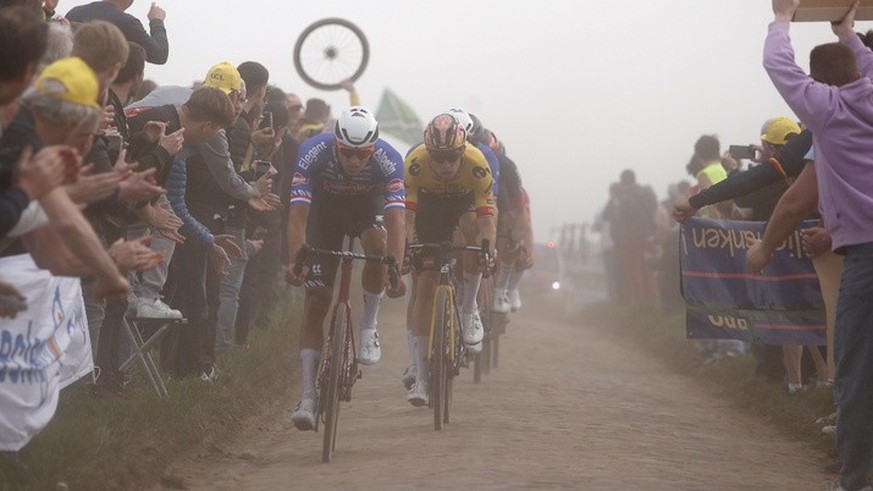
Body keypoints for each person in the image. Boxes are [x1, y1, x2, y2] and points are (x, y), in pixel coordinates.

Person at [761, 2, 873, 489]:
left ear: (820, 84)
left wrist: (782, 17)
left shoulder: (826, 110)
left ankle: (852, 481)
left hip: (865, 258)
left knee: (853, 374)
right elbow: (863, 69)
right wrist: (849, 34)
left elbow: (777, 66)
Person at [285, 106, 406, 430]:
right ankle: (308, 396)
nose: (353, 161)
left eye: (362, 154)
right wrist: (296, 260)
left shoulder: (389, 160)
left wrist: (395, 267)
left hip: (369, 208)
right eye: (346, 153)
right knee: (315, 304)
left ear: (374, 149)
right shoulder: (313, 152)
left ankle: (368, 325)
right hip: (325, 213)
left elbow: (396, 219)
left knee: (378, 248)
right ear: (335, 144)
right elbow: (298, 215)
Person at [402, 113, 496, 406]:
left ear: (462, 151)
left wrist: (487, 248)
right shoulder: (415, 163)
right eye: (438, 158)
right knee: (425, 286)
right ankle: (420, 377)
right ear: (428, 151)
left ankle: (468, 310)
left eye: (451, 158)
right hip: (428, 209)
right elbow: (407, 217)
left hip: (463, 205)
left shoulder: (477, 163)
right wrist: (408, 246)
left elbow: (486, 220)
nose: (444, 165)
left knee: (475, 240)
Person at [65, 0, 169, 65]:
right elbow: (159, 55)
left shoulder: (75, 12)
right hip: (100, 92)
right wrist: (157, 20)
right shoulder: (127, 22)